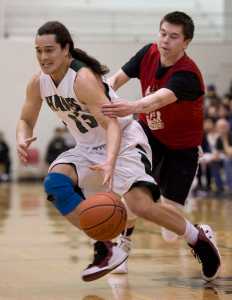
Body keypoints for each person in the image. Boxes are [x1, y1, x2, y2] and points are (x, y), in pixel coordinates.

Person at [16, 21, 221, 283]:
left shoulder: (82, 79)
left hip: (123, 141)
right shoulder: (38, 83)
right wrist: (23, 138)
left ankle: (197, 238)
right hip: (88, 147)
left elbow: (112, 124)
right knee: (55, 183)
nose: (43, 57)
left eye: (49, 50)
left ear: (66, 49)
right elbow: (26, 119)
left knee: (140, 206)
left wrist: (110, 161)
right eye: (38, 51)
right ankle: (106, 247)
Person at [102, 11, 220, 272]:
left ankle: (200, 233)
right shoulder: (148, 53)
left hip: (182, 149)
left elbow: (156, 100)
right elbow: (115, 80)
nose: (165, 40)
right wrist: (98, 95)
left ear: (186, 42)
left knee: (169, 231)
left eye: (174, 36)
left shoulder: (188, 75)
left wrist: (129, 106)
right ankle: (123, 245)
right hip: (148, 138)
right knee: (132, 197)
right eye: (163, 33)